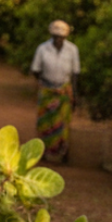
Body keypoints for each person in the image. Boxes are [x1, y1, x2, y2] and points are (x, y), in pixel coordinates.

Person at [30, 20, 80, 163]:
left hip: (64, 91)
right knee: (45, 122)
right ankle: (44, 151)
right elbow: (35, 69)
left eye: (61, 37)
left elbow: (75, 73)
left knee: (63, 123)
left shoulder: (72, 50)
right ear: (51, 35)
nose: (58, 40)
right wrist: (43, 83)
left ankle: (63, 153)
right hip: (47, 90)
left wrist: (75, 94)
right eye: (55, 36)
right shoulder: (42, 49)